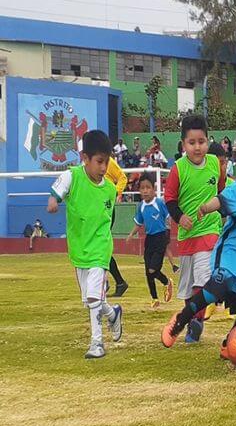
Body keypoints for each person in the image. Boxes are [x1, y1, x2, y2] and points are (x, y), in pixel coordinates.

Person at [161, 137, 236, 357]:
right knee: (212, 292)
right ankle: (180, 321)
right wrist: (205, 208)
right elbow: (219, 200)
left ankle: (229, 344)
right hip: (228, 259)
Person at [47, 130, 123, 359]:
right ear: (85, 158)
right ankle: (113, 314)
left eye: (107, 162)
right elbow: (56, 193)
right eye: (99, 162)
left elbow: (108, 218)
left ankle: (96, 343)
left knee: (92, 298)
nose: (103, 168)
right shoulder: (72, 176)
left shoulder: (110, 190)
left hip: (100, 249)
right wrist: (52, 203)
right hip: (80, 248)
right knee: (92, 300)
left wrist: (104, 243)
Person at [164, 115, 227, 343]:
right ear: (183, 144)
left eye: (201, 141)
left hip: (210, 231)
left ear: (208, 141)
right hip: (187, 237)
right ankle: (192, 322)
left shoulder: (214, 164)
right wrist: (180, 218)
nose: (197, 147)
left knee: (203, 279)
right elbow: (169, 200)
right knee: (189, 289)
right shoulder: (178, 170)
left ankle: (197, 320)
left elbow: (221, 190)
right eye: (192, 142)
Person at [125, 173, 175, 310]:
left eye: (148, 188)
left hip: (160, 238)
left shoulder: (159, 203)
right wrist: (131, 235)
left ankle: (166, 281)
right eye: (142, 188)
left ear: (153, 189)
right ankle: (154, 298)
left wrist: (167, 231)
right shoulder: (141, 206)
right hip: (149, 239)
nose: (145, 191)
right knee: (148, 271)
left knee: (153, 269)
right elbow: (138, 223)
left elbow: (168, 217)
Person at [104, 156, 129, 297]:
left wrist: (115, 192)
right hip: (96, 207)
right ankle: (114, 282)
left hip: (106, 207)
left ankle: (112, 282)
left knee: (100, 245)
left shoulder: (107, 161)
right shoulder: (88, 163)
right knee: (99, 246)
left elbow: (122, 177)